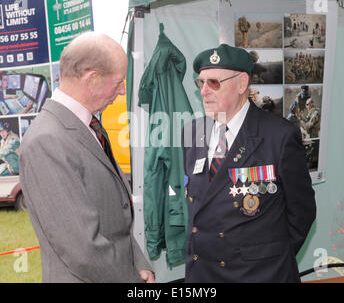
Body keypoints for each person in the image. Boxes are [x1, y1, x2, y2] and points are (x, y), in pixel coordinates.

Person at [19, 32, 155, 283]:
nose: (123, 91)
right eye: (118, 82)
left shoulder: (87, 127)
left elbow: (114, 217)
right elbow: (83, 249)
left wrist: (138, 261)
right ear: (92, 79)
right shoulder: (48, 140)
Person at [182, 43, 316, 283]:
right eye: (200, 83)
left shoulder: (279, 136)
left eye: (213, 83)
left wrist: (267, 258)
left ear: (242, 83)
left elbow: (301, 212)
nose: (203, 91)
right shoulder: (192, 133)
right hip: (204, 275)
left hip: (259, 275)